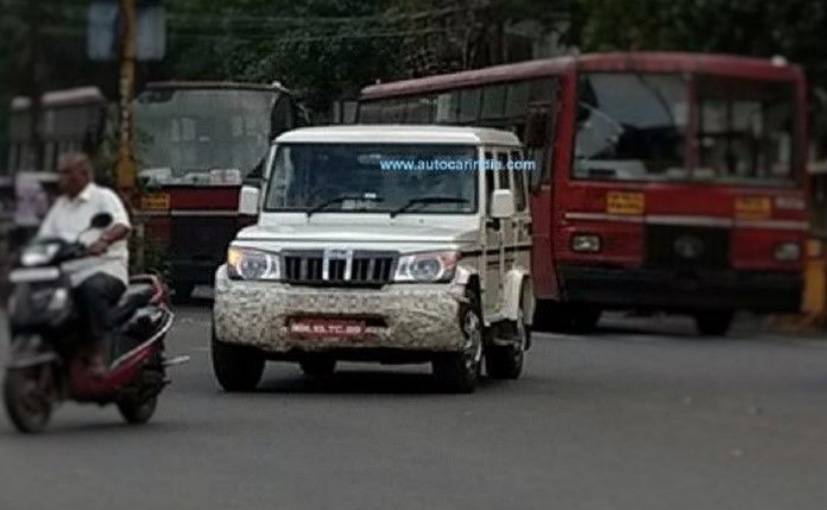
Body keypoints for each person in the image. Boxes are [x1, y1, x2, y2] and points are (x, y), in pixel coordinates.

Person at [38, 153, 132, 373]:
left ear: (84, 174)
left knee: (91, 290)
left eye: (68, 173)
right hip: (67, 273)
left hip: (105, 269)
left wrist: (103, 240)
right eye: (61, 173)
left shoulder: (103, 197)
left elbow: (122, 225)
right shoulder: (60, 206)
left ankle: (98, 350)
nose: (62, 178)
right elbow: (44, 238)